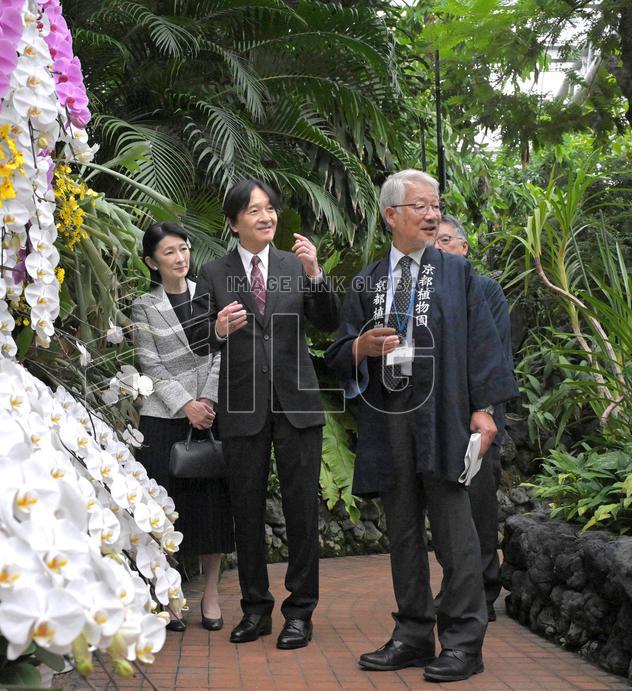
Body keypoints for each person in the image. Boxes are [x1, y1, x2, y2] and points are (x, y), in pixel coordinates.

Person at [325, 170, 518, 682]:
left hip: (447, 417)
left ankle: (462, 642)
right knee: (404, 533)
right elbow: (339, 349)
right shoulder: (367, 282)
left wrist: (486, 410)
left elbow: (484, 347)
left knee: (457, 536)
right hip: (389, 421)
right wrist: (361, 347)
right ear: (392, 215)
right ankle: (412, 634)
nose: (433, 215)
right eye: (421, 207)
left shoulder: (459, 276)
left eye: (435, 206)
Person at [185, 179, 340, 650]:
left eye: (270, 208)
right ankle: (255, 610)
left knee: (300, 512)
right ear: (234, 222)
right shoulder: (213, 273)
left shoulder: (297, 265)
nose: (266, 217)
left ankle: (300, 613)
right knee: (246, 512)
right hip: (242, 408)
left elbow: (330, 321)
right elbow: (197, 340)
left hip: (296, 405)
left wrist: (316, 275)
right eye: (254, 211)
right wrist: (216, 327)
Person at [131, 222, 235, 632]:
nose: (180, 258)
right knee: (163, 512)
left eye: (184, 249)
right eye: (170, 252)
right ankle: (169, 596)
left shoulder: (208, 298)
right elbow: (149, 364)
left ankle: (210, 594)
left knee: (212, 509)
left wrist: (205, 401)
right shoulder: (144, 305)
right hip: (162, 420)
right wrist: (184, 404)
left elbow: (221, 353)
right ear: (152, 261)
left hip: (208, 418)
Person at [435, 214, 513, 622]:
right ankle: (454, 587)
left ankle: (484, 590)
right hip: (441, 419)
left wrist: (482, 409)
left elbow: (495, 353)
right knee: (448, 510)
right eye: (435, 241)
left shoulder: (486, 289)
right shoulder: (429, 293)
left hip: (480, 417)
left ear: (465, 248)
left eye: (447, 240)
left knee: (480, 506)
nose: (440, 247)